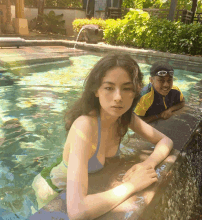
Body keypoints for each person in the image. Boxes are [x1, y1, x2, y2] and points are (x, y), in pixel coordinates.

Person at [32, 53, 173, 220]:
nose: (118, 97)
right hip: (52, 191)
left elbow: (166, 140)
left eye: (126, 88)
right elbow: (77, 211)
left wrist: (147, 164)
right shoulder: (84, 126)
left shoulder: (124, 117)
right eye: (109, 87)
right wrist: (132, 185)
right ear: (96, 90)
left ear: (135, 92)